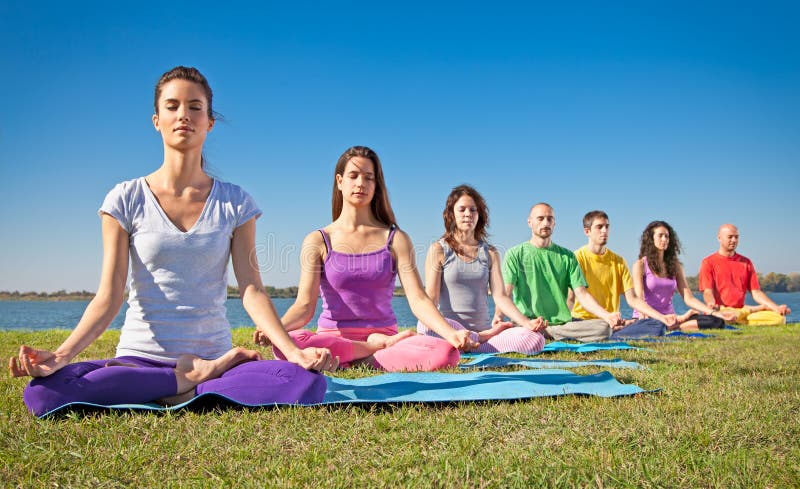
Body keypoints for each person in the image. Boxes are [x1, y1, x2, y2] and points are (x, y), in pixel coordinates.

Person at [9, 66, 335, 417]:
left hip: (212, 353)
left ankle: (199, 375)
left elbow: (251, 290)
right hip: (139, 356)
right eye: (172, 106)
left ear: (209, 122)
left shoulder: (235, 202)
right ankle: (184, 383)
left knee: (305, 382)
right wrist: (60, 356)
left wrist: (293, 351)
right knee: (43, 394)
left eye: (195, 107)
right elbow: (110, 294)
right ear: (156, 120)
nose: (184, 115)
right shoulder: (125, 198)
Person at [254, 146, 478, 371]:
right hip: (337, 340)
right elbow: (304, 306)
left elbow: (418, 299)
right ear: (340, 181)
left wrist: (451, 333)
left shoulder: (396, 239)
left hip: (385, 339)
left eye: (368, 178)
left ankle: (353, 359)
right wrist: (275, 329)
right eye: (353, 176)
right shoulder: (318, 240)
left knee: (446, 353)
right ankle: (369, 353)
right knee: (289, 343)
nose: (361, 183)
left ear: (376, 185)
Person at [416, 185, 545, 354]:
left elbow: (500, 296)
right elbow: (431, 299)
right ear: (451, 214)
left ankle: (475, 342)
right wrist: (447, 330)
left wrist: (527, 323)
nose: (468, 214)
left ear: (479, 215)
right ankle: (475, 340)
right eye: (462, 209)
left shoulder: (490, 253)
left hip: (485, 332)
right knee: (424, 325)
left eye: (473, 210)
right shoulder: (438, 250)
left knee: (536, 340)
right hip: (450, 332)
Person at [498, 203, 624, 342]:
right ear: (530, 222)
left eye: (549, 219)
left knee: (604, 327)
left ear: (554, 223)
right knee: (518, 329)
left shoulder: (568, 256)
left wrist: (607, 316)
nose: (546, 223)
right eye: (540, 218)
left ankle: (548, 332)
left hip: (561, 324)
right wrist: (501, 317)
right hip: (526, 323)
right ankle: (540, 332)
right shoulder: (514, 254)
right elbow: (505, 295)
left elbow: (582, 294)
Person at [568, 211, 680, 338]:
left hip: (610, 323)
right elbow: (577, 296)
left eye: (607, 226)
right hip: (584, 322)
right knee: (603, 328)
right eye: (599, 227)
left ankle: (615, 331)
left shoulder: (619, 261)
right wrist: (606, 316)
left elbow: (632, 299)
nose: (604, 230)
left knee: (657, 326)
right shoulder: (577, 258)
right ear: (587, 231)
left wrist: (662, 317)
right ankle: (612, 332)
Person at [631, 221, 734, 332]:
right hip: (648, 317)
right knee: (653, 325)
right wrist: (654, 316)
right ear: (651, 239)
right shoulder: (640, 265)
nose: (664, 239)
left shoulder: (675, 265)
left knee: (716, 321)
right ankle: (671, 326)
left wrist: (715, 313)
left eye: (667, 236)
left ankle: (674, 327)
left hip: (671, 318)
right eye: (660, 236)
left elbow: (688, 298)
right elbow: (639, 299)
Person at [698, 224, 791, 325]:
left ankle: (742, 316)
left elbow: (756, 293)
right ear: (719, 238)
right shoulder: (708, 262)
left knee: (779, 319)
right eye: (730, 237)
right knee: (725, 316)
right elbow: (708, 292)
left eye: (736, 237)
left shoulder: (746, 262)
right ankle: (749, 312)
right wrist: (711, 304)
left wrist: (776, 308)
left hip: (740, 311)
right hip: (721, 311)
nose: (734, 240)